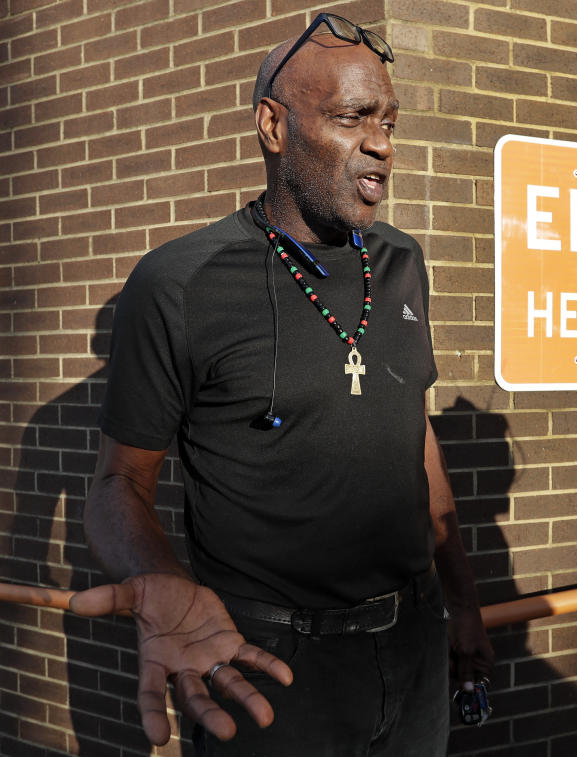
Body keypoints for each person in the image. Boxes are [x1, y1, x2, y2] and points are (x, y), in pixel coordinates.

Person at [70, 12, 495, 756]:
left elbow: (413, 436)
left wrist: (461, 600)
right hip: (270, 666)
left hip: (414, 649)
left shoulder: (402, 261)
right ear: (273, 125)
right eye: (352, 117)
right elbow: (117, 486)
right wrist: (161, 577)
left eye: (389, 120)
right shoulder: (178, 283)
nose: (383, 145)